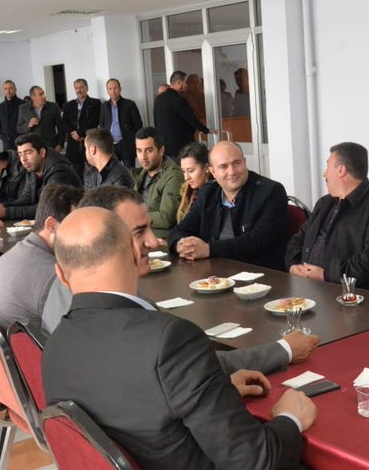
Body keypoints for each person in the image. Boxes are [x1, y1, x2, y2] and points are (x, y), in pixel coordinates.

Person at [43, 207, 369, 470]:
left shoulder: (55, 348)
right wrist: (291, 417)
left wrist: (215, 387)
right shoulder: (169, 339)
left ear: (62, 274)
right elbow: (254, 459)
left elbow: (141, 405)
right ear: (137, 254)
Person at [77, 184, 319, 374]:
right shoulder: (153, 330)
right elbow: (194, 367)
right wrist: (284, 351)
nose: (152, 242)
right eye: (140, 232)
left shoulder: (79, 322)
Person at [0, 183, 84, 334]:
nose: (86, 237)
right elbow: (69, 338)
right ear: (51, 226)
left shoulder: (11, 257)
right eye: (78, 227)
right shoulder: (54, 275)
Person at [168, 141, 289, 270]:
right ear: (212, 172)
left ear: (245, 162)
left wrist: (208, 249)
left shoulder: (271, 191)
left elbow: (257, 241)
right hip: (213, 274)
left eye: (237, 163)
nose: (232, 172)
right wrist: (180, 244)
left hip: (260, 275)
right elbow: (180, 229)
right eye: (223, 166)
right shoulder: (208, 192)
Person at [286, 142, 369, 289]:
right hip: (305, 285)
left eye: (328, 165)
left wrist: (327, 275)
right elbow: (298, 240)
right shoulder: (324, 203)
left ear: (341, 170)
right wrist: (293, 266)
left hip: (345, 293)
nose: (324, 173)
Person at [4, 132, 81, 219]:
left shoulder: (59, 169)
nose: (23, 159)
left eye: (28, 153)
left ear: (42, 152)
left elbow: (49, 207)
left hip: (71, 220)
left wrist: (6, 212)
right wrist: (2, 207)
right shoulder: (32, 166)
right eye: (20, 154)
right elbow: (26, 197)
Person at [130, 127, 183, 238]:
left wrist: (134, 216)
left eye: (149, 150)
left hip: (160, 238)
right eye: (139, 150)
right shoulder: (140, 173)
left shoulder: (173, 175)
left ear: (161, 150)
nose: (143, 157)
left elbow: (166, 218)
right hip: (139, 233)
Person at [154, 71, 211, 157]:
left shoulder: (159, 99)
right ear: (179, 82)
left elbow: (156, 121)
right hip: (180, 144)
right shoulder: (178, 100)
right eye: (185, 82)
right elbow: (191, 119)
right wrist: (206, 130)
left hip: (164, 144)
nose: (186, 85)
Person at [61, 78, 101, 176]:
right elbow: (64, 122)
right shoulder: (68, 105)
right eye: (76, 88)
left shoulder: (95, 103)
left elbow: (94, 121)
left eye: (81, 87)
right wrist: (73, 134)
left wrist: (80, 133)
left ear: (86, 88)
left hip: (88, 140)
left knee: (91, 171)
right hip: (73, 143)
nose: (79, 90)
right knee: (75, 173)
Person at [101, 77, 144, 167]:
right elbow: (102, 124)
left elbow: (138, 125)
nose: (113, 91)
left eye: (115, 88)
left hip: (126, 144)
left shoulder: (129, 104)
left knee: (130, 172)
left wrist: (137, 142)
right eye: (110, 89)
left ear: (120, 89)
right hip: (111, 144)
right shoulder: (104, 106)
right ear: (107, 91)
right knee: (112, 171)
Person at [16, 86, 65, 150]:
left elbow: (61, 128)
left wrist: (60, 145)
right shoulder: (23, 108)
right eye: (40, 94)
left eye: (43, 93)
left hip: (50, 146)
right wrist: (29, 124)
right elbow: (19, 129)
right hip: (32, 147)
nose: (44, 96)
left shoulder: (53, 106)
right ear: (33, 97)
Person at [176, 141, 211, 223]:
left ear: (206, 168)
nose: (186, 177)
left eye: (191, 171)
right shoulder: (188, 191)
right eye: (183, 171)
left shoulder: (215, 193)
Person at [0, 80, 26, 153]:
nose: (8, 91)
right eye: (5, 89)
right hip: (6, 142)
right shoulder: (0, 106)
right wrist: (0, 135)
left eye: (10, 88)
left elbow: (26, 122)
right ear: (3, 90)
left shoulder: (23, 104)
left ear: (15, 89)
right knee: (8, 162)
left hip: (21, 140)